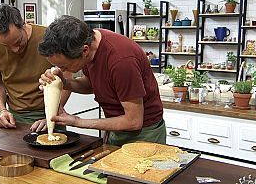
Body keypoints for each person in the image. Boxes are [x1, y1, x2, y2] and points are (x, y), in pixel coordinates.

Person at [38, 15, 166, 146]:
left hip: (144, 133)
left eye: (65, 66)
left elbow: (133, 121)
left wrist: (78, 122)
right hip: (117, 128)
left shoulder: (121, 61)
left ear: (85, 50)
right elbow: (92, 85)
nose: (62, 69)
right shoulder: (89, 45)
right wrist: (65, 83)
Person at [0, 4, 70, 130]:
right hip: (15, 119)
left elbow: (67, 79)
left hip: (50, 115)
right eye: (6, 46)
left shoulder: (47, 38)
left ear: (23, 24)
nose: (14, 49)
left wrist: (53, 115)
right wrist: (2, 111)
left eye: (18, 42)